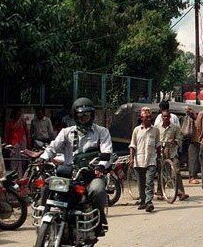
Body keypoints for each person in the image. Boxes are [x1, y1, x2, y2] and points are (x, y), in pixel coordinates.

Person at [37, 98, 112, 235]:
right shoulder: (67, 132)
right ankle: (43, 220)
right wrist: (43, 158)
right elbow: (52, 147)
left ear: (92, 115)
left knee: (97, 190)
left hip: (90, 174)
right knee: (46, 186)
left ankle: (100, 221)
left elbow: (107, 151)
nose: (83, 117)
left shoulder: (102, 132)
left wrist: (101, 166)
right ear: (75, 115)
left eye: (86, 114)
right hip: (68, 174)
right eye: (79, 114)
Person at [130, 106, 160, 213]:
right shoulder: (137, 130)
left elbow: (158, 145)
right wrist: (131, 159)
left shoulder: (155, 130)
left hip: (151, 159)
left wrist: (159, 158)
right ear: (141, 118)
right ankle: (143, 201)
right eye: (145, 117)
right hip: (139, 160)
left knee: (149, 181)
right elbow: (132, 145)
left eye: (149, 117)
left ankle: (149, 202)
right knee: (141, 182)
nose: (148, 118)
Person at [159, 111, 188, 201]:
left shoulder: (175, 128)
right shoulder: (157, 127)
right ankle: (160, 192)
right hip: (161, 153)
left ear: (170, 117)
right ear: (161, 117)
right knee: (162, 172)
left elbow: (179, 140)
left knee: (176, 171)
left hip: (172, 153)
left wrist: (175, 141)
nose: (165, 118)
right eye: (164, 116)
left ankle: (181, 192)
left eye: (167, 116)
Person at [4, 107, 27, 175]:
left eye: (19, 114)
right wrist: (6, 144)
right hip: (13, 144)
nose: (18, 116)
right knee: (14, 161)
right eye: (17, 114)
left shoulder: (22, 122)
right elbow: (6, 134)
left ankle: (21, 176)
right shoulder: (9, 123)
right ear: (13, 114)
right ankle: (14, 176)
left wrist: (28, 143)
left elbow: (26, 132)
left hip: (22, 143)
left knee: (23, 161)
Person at [183, 106, 201, 183]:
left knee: (195, 160)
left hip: (196, 142)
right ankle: (192, 177)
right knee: (193, 160)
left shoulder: (193, 119)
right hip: (193, 142)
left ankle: (194, 175)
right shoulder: (190, 120)